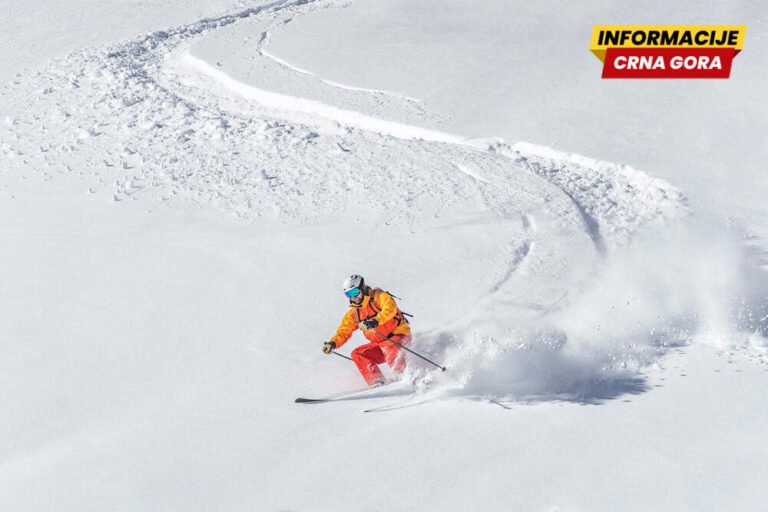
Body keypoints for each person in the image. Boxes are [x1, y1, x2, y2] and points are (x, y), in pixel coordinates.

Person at [322, 274, 412, 387]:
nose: (353, 297)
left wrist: (375, 321)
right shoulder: (355, 312)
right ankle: (377, 382)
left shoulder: (379, 297)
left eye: (354, 292)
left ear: (362, 288)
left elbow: (390, 309)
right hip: (380, 343)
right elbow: (344, 331)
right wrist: (333, 343)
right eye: (349, 294)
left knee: (389, 346)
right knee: (358, 354)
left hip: (397, 335)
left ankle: (407, 379)